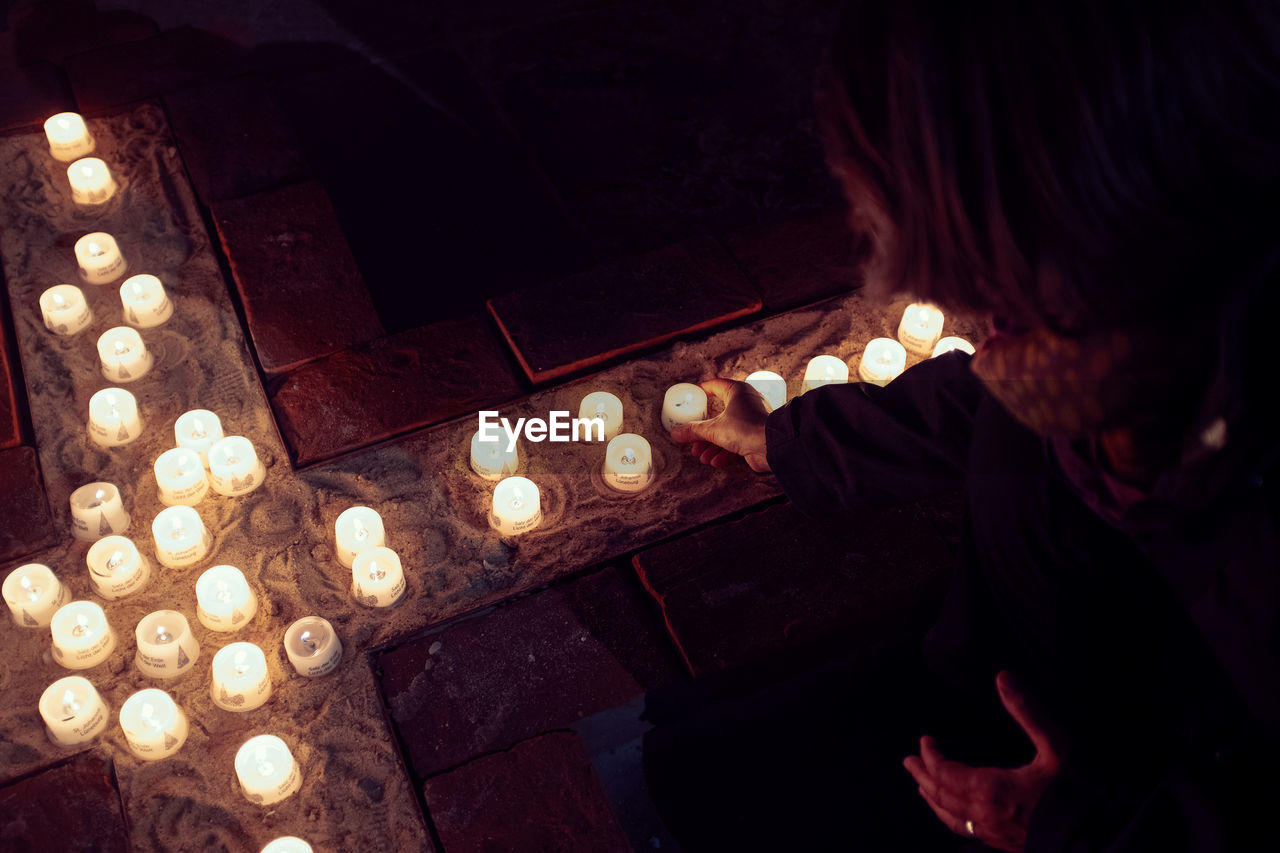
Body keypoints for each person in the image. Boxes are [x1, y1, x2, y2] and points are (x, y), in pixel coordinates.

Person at [670, 1, 1280, 850]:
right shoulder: (1096, 340)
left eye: (960, 244)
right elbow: (983, 405)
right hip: (998, 678)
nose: (950, 295)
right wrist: (783, 438)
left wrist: (1073, 823)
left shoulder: (1244, 487)